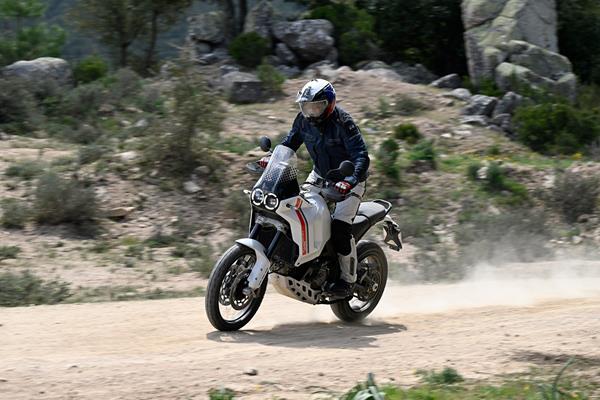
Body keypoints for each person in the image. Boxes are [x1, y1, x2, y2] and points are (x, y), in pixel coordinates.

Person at [259, 79, 370, 297]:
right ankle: (307, 261)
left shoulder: (343, 122)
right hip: (319, 176)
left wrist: (350, 180)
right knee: (297, 210)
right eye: (306, 106)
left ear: (328, 104)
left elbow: (361, 156)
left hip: (347, 181)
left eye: (316, 106)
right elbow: (289, 143)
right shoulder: (303, 120)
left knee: (339, 228)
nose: (310, 112)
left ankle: (348, 279)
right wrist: (272, 157)